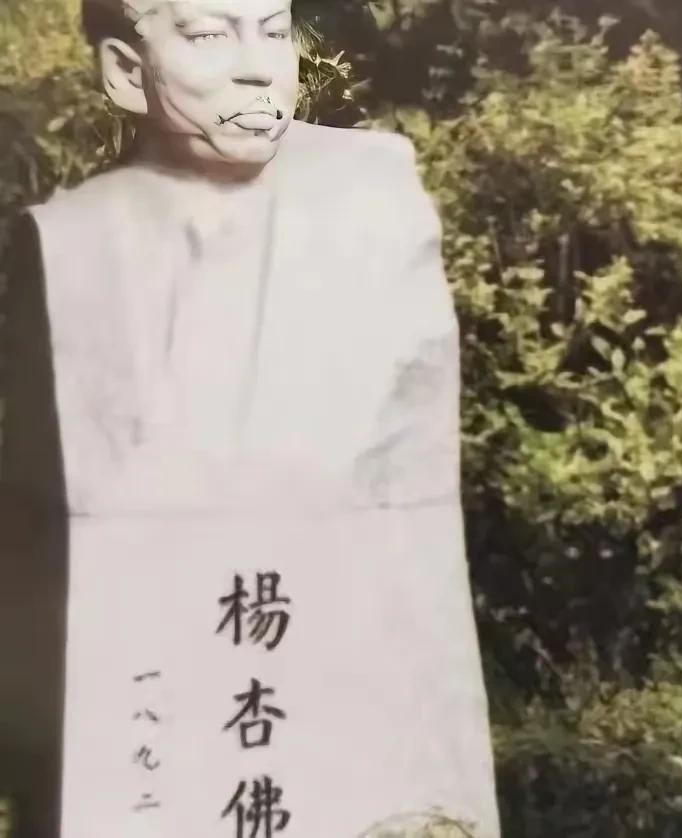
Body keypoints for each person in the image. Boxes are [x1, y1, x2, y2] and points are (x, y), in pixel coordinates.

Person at [0, 1, 499, 835]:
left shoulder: (371, 204)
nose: (258, 66)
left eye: (273, 30)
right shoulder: (72, 247)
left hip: (324, 693)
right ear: (125, 71)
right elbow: (35, 537)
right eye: (209, 35)